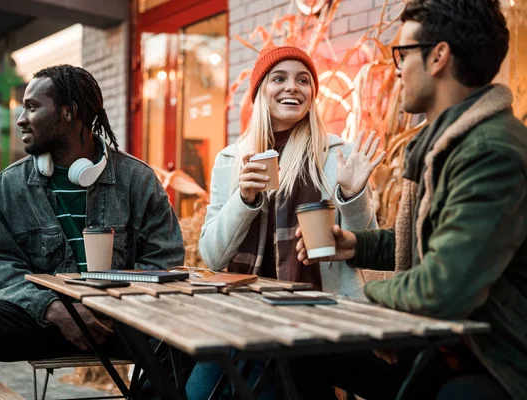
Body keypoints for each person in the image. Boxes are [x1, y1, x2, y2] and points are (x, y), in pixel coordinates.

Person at [293, 1, 527, 399]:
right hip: (445, 346)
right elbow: (435, 244)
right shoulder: (447, 143)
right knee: (301, 349)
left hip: (494, 361)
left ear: (438, 56)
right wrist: (355, 245)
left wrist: (366, 305)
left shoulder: (489, 152)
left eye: (402, 53)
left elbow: (443, 286)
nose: (395, 68)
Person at [0, 65, 186, 390]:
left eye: (32, 107)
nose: (21, 118)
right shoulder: (10, 185)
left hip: (123, 322)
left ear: (68, 113)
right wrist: (52, 309)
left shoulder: (138, 180)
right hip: (47, 322)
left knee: (183, 341)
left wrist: (117, 307)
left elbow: (165, 260)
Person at [187, 45, 385, 399]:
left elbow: (366, 244)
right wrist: (244, 199)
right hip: (243, 310)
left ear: (312, 94)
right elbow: (212, 257)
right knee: (200, 390)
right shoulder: (231, 159)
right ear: (261, 91)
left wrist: (354, 197)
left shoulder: (337, 153)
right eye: (279, 78)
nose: (292, 87)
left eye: (303, 80)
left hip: (319, 314)